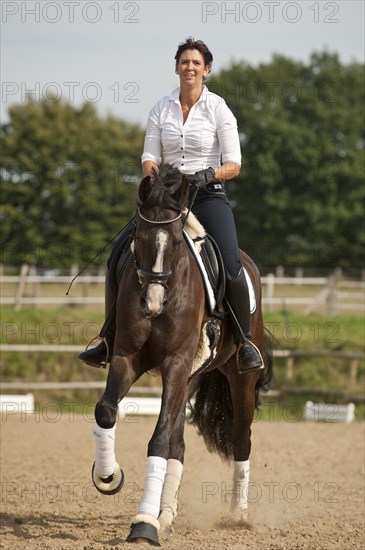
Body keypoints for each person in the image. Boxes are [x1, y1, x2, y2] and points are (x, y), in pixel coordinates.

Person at [79, 37, 263, 373]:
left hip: (207, 195)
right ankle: (108, 338)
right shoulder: (160, 108)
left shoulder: (219, 109)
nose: (189, 67)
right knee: (118, 254)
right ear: (176, 67)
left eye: (196, 63)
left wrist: (209, 173)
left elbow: (235, 164)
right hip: (166, 196)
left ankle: (244, 340)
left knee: (232, 261)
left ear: (206, 70)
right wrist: (154, 178)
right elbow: (149, 156)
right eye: (184, 62)